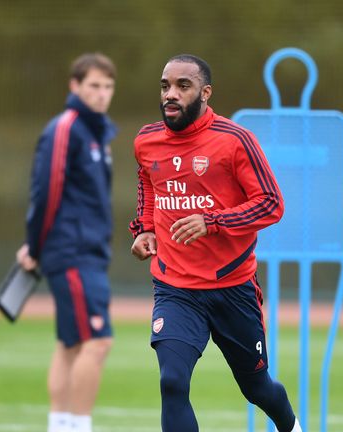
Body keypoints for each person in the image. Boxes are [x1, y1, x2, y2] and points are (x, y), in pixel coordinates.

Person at [129, 54, 302, 432]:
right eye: (165, 86)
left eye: (182, 86)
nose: (170, 94)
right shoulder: (146, 141)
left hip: (232, 288)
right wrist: (144, 227)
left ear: (205, 93)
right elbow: (148, 181)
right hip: (176, 287)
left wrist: (213, 221)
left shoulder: (235, 141)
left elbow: (272, 204)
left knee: (257, 388)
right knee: (172, 382)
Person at [16, 52, 117, 432]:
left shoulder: (97, 133)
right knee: (98, 341)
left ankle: (60, 425)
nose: (101, 94)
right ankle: (77, 426)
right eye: (93, 85)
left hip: (87, 252)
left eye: (108, 87)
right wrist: (35, 246)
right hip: (72, 252)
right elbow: (46, 191)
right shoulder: (66, 128)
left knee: (71, 344)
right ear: (74, 87)